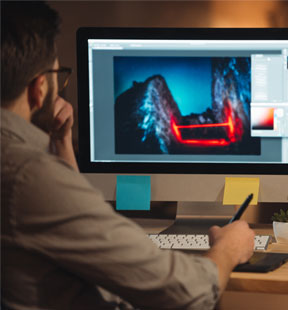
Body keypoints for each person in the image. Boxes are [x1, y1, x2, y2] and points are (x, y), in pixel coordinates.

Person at [0, 2, 255, 309]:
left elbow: (76, 216)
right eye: (58, 74)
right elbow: (187, 292)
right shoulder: (29, 177)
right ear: (39, 88)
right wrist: (228, 248)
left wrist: (61, 140)